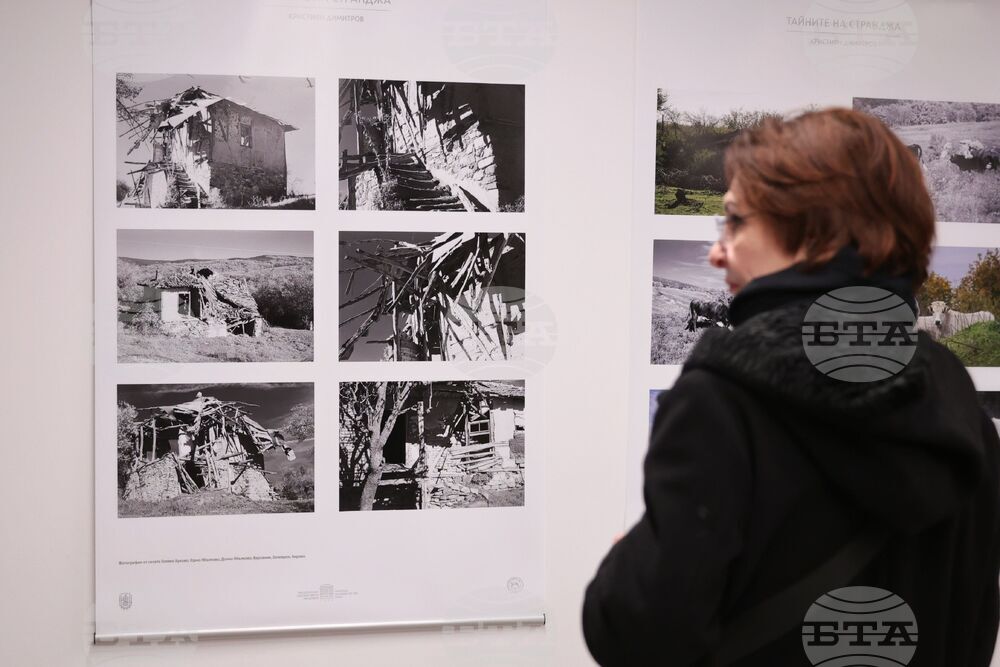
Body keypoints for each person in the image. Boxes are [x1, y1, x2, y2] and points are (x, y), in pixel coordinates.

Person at [582, 108, 1000, 666]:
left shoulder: (725, 396)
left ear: (812, 232)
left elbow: (643, 639)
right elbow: (975, 626)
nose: (716, 250)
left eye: (734, 221)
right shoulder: (960, 406)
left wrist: (624, 570)